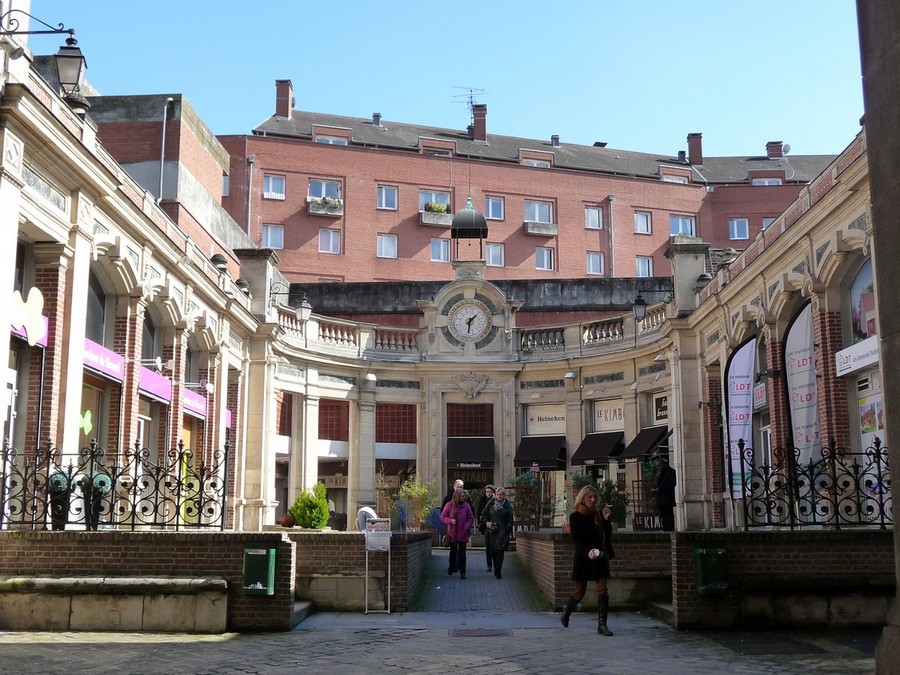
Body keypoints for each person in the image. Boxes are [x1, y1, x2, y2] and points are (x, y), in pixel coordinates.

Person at [560, 484, 616, 636]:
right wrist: (588, 551)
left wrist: (607, 520)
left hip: (599, 556)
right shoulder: (575, 517)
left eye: (594, 497)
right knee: (580, 592)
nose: (592, 500)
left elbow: (607, 535)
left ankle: (602, 624)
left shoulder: (597, 515)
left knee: (603, 588)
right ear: (583, 498)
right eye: (589, 497)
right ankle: (567, 609)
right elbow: (576, 539)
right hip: (584, 557)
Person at [440, 488, 474, 578]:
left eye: (464, 496)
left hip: (462, 532)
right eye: (462, 496)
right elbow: (443, 517)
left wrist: (466, 526)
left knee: (462, 553)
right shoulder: (449, 505)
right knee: (453, 552)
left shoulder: (466, 505)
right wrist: (450, 520)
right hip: (453, 533)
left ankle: (463, 572)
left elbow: (470, 518)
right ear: (458, 496)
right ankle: (451, 567)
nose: (464, 498)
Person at [481, 485, 514, 579]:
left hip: (502, 533)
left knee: (500, 551)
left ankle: (498, 571)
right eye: (498, 494)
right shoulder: (491, 503)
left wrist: (506, 529)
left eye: (501, 495)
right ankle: (495, 567)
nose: (499, 496)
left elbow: (510, 520)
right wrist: (487, 523)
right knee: (493, 552)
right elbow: (483, 514)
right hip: (492, 532)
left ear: (504, 496)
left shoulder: (507, 506)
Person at [655, 455, 677, 532]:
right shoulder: (660, 473)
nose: (658, 468)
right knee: (663, 516)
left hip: (668, 498)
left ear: (664, 464)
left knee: (669, 515)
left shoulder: (671, 472)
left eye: (659, 466)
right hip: (661, 499)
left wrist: (660, 488)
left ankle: (670, 530)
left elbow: (672, 484)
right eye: (658, 466)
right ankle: (665, 529)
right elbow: (658, 483)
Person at [477, 484, 495, 572]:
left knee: (495, 546)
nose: (489, 493)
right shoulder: (482, 500)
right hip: (486, 526)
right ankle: (489, 565)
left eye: (490, 492)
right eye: (487, 492)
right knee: (488, 546)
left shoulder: (496, 500)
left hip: (495, 526)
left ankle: (496, 564)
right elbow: (479, 513)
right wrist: (482, 523)